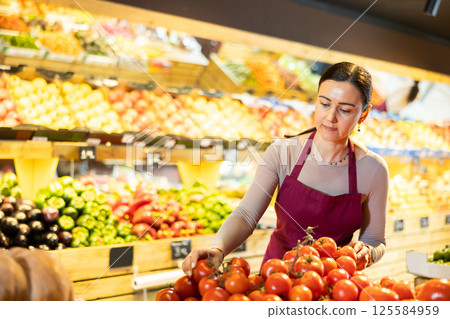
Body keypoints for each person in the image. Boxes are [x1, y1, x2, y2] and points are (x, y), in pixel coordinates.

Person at [182, 62, 389, 276]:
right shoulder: (283, 153)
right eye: (324, 104)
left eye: (344, 110)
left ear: (363, 115)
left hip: (334, 285)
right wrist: (219, 248)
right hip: (275, 281)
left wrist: (368, 253)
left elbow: (375, 240)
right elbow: (246, 214)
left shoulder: (373, 170)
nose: (330, 117)